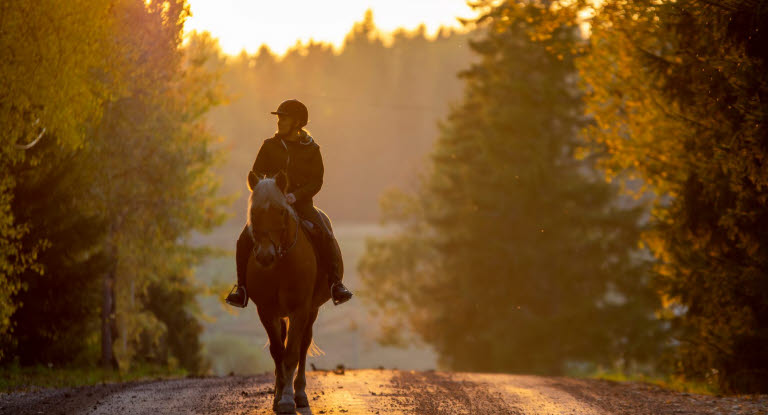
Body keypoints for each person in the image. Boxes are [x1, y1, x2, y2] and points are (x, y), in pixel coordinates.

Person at [225, 99, 354, 308]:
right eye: (279, 118)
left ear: (297, 123)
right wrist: (265, 188)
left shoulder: (312, 150)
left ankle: (335, 284)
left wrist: (296, 196)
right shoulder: (269, 146)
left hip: (302, 205)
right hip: (271, 206)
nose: (279, 122)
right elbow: (256, 172)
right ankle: (242, 289)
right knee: (243, 239)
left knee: (325, 233)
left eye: (284, 118)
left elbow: (316, 181)